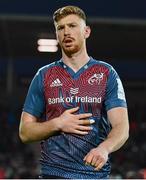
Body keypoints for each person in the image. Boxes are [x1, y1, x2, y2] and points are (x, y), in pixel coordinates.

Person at [19, 5, 129, 179]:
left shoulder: (107, 73)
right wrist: (58, 124)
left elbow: (122, 127)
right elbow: (25, 132)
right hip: (53, 175)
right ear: (56, 34)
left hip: (94, 175)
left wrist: (104, 148)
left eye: (72, 26)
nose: (66, 32)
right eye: (60, 28)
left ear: (86, 31)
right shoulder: (44, 75)